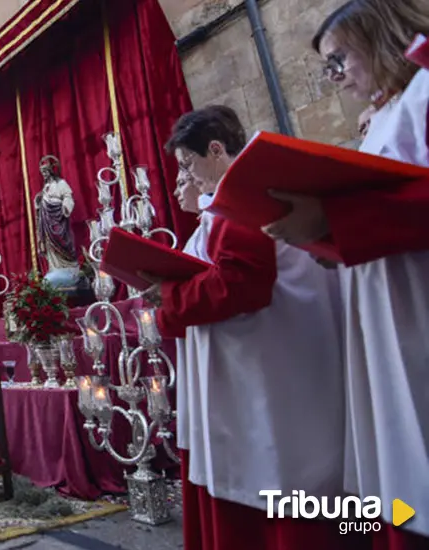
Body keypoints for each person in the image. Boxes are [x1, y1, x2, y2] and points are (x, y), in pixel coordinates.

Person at [263, 1, 429, 545]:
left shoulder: (425, 91)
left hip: (418, 308)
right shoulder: (388, 112)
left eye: (339, 61)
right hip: (388, 312)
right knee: (401, 464)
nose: (336, 79)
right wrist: (321, 237)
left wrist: (334, 217)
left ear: (380, 38)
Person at [146, 106, 349, 550]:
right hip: (277, 363)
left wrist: (168, 300)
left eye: (188, 164)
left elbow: (240, 284)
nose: (188, 177)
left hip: (270, 373)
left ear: (215, 149)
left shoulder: (241, 195)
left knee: (282, 485)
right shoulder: (241, 195)